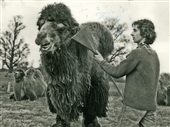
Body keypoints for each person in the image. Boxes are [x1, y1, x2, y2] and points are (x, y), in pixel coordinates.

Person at [94, 19, 160, 127]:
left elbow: (116, 72)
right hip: (150, 107)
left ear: (144, 33)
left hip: (134, 107)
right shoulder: (154, 54)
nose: (131, 33)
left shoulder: (137, 53)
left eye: (135, 30)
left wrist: (101, 61)